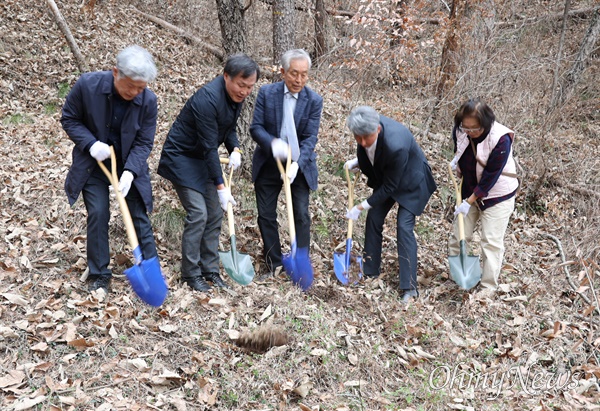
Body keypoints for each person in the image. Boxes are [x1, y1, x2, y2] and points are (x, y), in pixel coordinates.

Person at [61, 45, 160, 294]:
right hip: (93, 164)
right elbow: (69, 118)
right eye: (132, 86)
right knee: (98, 212)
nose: (136, 92)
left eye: (142, 87)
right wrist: (90, 144)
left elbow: (144, 141)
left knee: (138, 215)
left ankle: (150, 269)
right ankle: (100, 274)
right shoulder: (88, 86)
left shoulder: (148, 101)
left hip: (128, 165)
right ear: (116, 72)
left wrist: (130, 172)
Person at [158, 54, 260, 292]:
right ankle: (190, 274)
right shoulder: (208, 99)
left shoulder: (236, 97)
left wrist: (234, 147)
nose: (244, 91)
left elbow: (228, 128)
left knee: (214, 213)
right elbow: (208, 147)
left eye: (249, 87)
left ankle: (210, 269)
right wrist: (221, 187)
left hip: (201, 159)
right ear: (226, 76)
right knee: (199, 212)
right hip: (181, 157)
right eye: (240, 85)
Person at [344, 106, 436, 303]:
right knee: (374, 218)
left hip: (412, 182)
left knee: (403, 226)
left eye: (365, 138)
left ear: (377, 130)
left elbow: (390, 186)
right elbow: (373, 154)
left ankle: (410, 288)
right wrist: (358, 161)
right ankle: (370, 271)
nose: (361, 142)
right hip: (390, 177)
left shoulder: (396, 144)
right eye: (357, 137)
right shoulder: (365, 129)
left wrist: (361, 206)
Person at [250, 49, 323, 277]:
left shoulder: (314, 101)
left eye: (304, 74)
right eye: (293, 74)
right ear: (283, 72)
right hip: (269, 161)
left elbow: (310, 137)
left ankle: (300, 263)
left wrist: (297, 163)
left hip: (298, 165)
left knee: (300, 214)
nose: (298, 80)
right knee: (266, 214)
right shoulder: (267, 93)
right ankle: (274, 262)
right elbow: (256, 128)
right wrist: (273, 144)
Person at [449, 98, 519, 292]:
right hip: (469, 190)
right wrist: (456, 162)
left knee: (490, 241)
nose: (470, 133)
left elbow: (490, 178)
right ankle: (460, 276)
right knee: (459, 235)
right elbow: (461, 150)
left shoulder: (501, 139)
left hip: (497, 195)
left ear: (486, 124)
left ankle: (488, 286)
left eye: (475, 129)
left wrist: (469, 201)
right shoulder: (460, 131)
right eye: (466, 128)